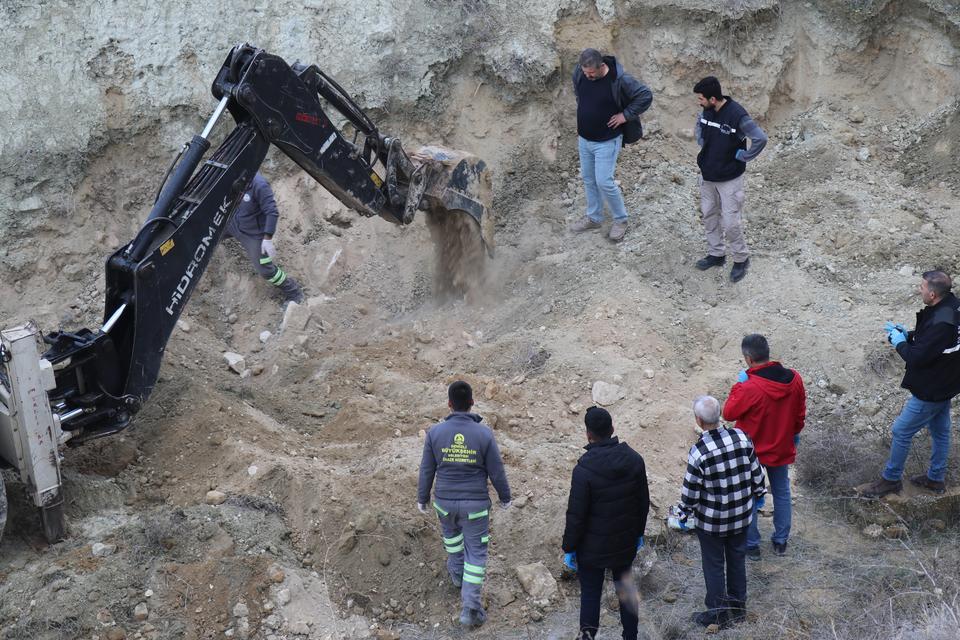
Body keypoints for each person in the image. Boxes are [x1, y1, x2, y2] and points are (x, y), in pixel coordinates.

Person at [417, 381, 511, 628]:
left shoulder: (435, 433)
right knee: (476, 554)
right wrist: (505, 496)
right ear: (472, 403)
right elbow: (496, 471)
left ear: (449, 404)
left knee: (452, 539)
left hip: (444, 504)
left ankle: (457, 576)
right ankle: (470, 608)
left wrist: (422, 498)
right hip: (475, 507)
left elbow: (427, 469)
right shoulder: (483, 434)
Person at [862, 270, 960, 498]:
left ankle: (891, 479)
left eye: (922, 287)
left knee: (901, 431)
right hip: (948, 382)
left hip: (931, 388)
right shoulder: (953, 306)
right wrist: (909, 335)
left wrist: (899, 344)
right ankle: (935, 479)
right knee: (940, 431)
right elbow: (935, 340)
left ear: (933, 294)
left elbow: (917, 357)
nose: (919, 290)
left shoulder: (942, 321)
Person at [677, 395, 766, 629]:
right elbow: (757, 476)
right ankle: (738, 610)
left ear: (698, 419)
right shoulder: (742, 438)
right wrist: (757, 497)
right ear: (720, 415)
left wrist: (682, 515)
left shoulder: (699, 451)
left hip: (712, 524)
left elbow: (690, 494)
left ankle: (717, 614)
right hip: (741, 517)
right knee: (737, 560)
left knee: (714, 565)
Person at [561, 406, 649, 640]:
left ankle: (588, 637)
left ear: (588, 435)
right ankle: (631, 636)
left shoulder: (584, 469)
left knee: (590, 594)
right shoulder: (634, 459)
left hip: (592, 550)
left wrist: (569, 548)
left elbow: (576, 515)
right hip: (624, 542)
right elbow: (643, 502)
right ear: (612, 429)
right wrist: (638, 534)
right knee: (626, 588)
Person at [722, 334, 806, 560]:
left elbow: (728, 412)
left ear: (748, 359)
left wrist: (740, 384)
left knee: (748, 496)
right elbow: (800, 412)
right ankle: (781, 542)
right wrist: (795, 433)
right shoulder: (794, 378)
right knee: (781, 492)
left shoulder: (750, 387)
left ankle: (752, 545)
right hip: (781, 447)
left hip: (752, 453)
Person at [569, 48, 653, 242]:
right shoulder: (579, 73)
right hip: (584, 139)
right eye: (584, 72)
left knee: (604, 181)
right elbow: (579, 95)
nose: (587, 75)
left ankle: (621, 220)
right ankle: (594, 217)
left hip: (607, 140)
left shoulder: (620, 79)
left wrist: (625, 115)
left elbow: (645, 96)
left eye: (591, 73)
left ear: (601, 66)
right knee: (589, 179)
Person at [692, 76, 767, 282]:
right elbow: (699, 125)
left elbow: (760, 138)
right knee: (708, 214)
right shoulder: (707, 111)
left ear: (713, 99)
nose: (700, 102)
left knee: (731, 222)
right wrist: (703, 143)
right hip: (708, 176)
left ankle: (741, 259)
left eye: (701, 98)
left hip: (729, 178)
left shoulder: (737, 115)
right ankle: (716, 254)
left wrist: (745, 156)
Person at [225, 172, 305, 304]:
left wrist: (267, 239)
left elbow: (272, 212)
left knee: (265, 270)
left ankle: (293, 291)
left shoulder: (260, 185)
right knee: (207, 234)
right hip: (234, 223)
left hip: (253, 235)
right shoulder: (234, 174)